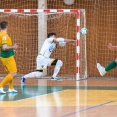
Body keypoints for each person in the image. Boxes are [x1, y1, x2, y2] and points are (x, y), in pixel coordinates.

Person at [0, 21, 18, 93]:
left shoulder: (2, 34)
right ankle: (1, 86)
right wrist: (13, 47)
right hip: (7, 57)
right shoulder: (4, 35)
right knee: (14, 73)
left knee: (11, 72)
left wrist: (12, 51)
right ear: (7, 27)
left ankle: (10, 88)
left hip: (6, 55)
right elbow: (4, 47)